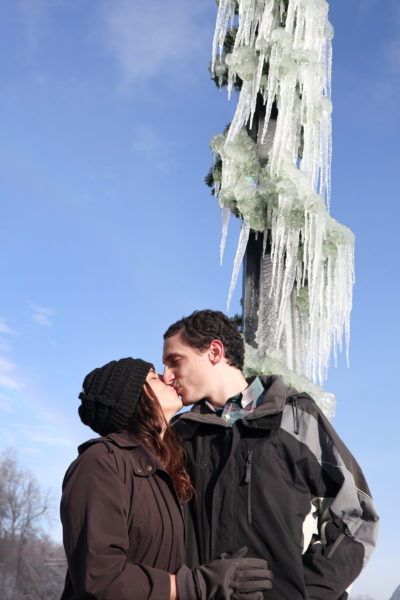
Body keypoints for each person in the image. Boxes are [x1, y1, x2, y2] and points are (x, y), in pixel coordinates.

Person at [162, 310, 380, 600]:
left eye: (175, 361)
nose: (167, 376)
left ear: (215, 352)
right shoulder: (180, 434)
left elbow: (357, 516)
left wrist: (305, 590)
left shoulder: (296, 416)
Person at [60, 357, 273, 600]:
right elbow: (100, 579)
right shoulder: (100, 463)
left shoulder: (166, 467)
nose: (165, 377)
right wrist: (197, 585)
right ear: (133, 401)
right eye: (153, 377)